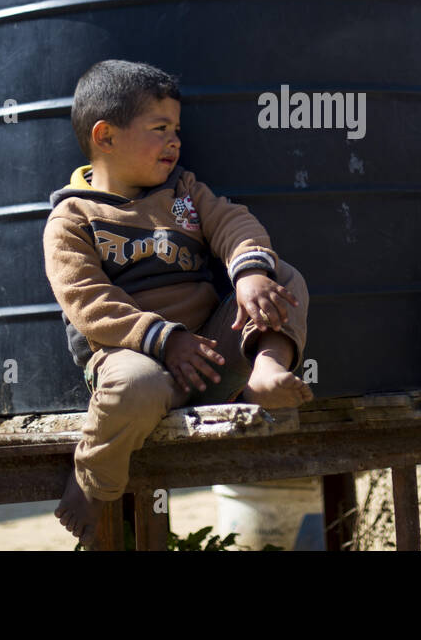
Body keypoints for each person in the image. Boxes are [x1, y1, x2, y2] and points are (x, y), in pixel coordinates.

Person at [44, 59, 313, 548]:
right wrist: (166, 341)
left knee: (283, 278)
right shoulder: (72, 218)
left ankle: (264, 372)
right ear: (105, 136)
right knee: (131, 387)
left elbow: (234, 221)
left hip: (213, 353)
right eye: (160, 129)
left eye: (178, 130)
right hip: (140, 359)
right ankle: (94, 483)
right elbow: (87, 300)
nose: (176, 141)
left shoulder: (184, 193)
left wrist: (250, 273)